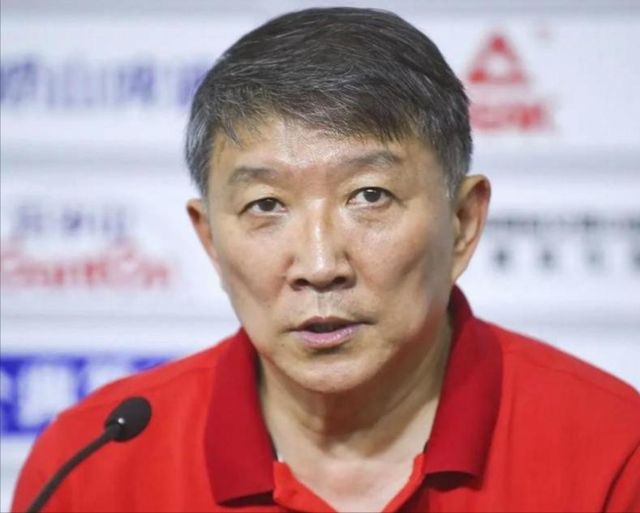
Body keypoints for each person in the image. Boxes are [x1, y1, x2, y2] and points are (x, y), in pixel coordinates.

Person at [11, 7, 639, 513]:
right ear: (211, 242)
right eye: (265, 205)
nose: (318, 264)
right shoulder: (94, 466)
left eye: (369, 196)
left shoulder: (614, 452)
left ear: (463, 223)